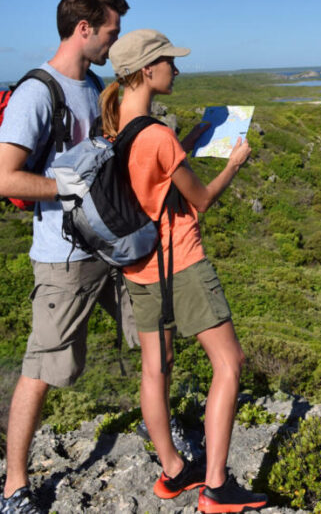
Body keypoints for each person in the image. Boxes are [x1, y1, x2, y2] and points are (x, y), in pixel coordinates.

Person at [0, 0, 137, 514]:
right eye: (110, 34)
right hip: (63, 258)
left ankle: (166, 447)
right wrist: (59, 187)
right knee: (43, 368)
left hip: (112, 247)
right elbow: (0, 178)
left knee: (154, 337)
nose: (113, 46)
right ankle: (14, 487)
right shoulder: (37, 93)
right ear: (83, 29)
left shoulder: (95, 87)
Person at [103, 29, 267, 512]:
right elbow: (201, 201)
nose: (177, 70)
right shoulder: (156, 136)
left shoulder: (119, 127)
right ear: (147, 70)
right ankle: (216, 486)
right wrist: (234, 163)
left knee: (156, 370)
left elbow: (149, 181)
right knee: (229, 363)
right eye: (170, 62)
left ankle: (173, 471)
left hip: (139, 268)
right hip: (183, 262)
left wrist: (188, 141)